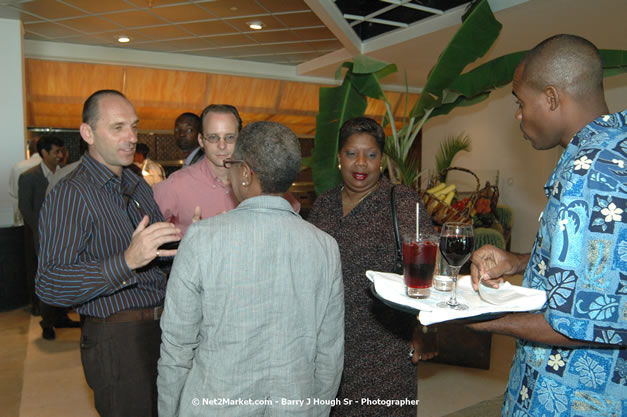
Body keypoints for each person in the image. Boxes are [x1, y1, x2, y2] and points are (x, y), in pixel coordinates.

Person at [467, 34, 626, 417]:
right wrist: (518, 261)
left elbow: (579, 324)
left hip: (572, 396)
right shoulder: (614, 146)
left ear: (552, 98)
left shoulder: (590, 174)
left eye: (521, 103)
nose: (519, 115)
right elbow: (600, 267)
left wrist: (476, 316)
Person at [158, 121, 344, 417]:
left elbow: (177, 348)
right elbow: (330, 355)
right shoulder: (325, 247)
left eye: (232, 164)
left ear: (245, 173)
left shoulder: (201, 238)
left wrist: (169, 411)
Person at [35, 89, 181, 417]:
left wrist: (181, 246)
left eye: (134, 126)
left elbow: (154, 256)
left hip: (163, 328)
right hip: (116, 336)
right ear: (88, 133)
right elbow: (49, 283)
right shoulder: (71, 194)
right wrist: (127, 261)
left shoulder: (137, 183)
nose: (131, 137)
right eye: (118, 128)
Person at [307, 117, 435, 416]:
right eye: (351, 154)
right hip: (328, 338)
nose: (361, 163)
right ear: (339, 158)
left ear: (382, 160)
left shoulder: (401, 201)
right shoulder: (324, 205)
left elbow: (428, 267)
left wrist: (423, 326)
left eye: (371, 154)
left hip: (386, 339)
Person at [19, 135, 79, 339]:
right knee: (46, 279)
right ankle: (47, 323)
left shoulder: (67, 173)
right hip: (43, 237)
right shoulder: (29, 176)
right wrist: (46, 231)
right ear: (44, 153)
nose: (61, 155)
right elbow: (26, 209)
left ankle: (62, 317)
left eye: (62, 151)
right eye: (56, 152)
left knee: (65, 278)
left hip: (67, 237)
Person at [153, 105, 241, 235]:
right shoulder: (176, 185)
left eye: (229, 137)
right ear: (201, 140)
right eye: (213, 137)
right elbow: (147, 237)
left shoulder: (253, 184)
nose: (222, 146)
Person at [9, 137, 41, 225]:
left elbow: (13, 194)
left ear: (29, 150)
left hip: (23, 220)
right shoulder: (54, 168)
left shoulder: (18, 167)